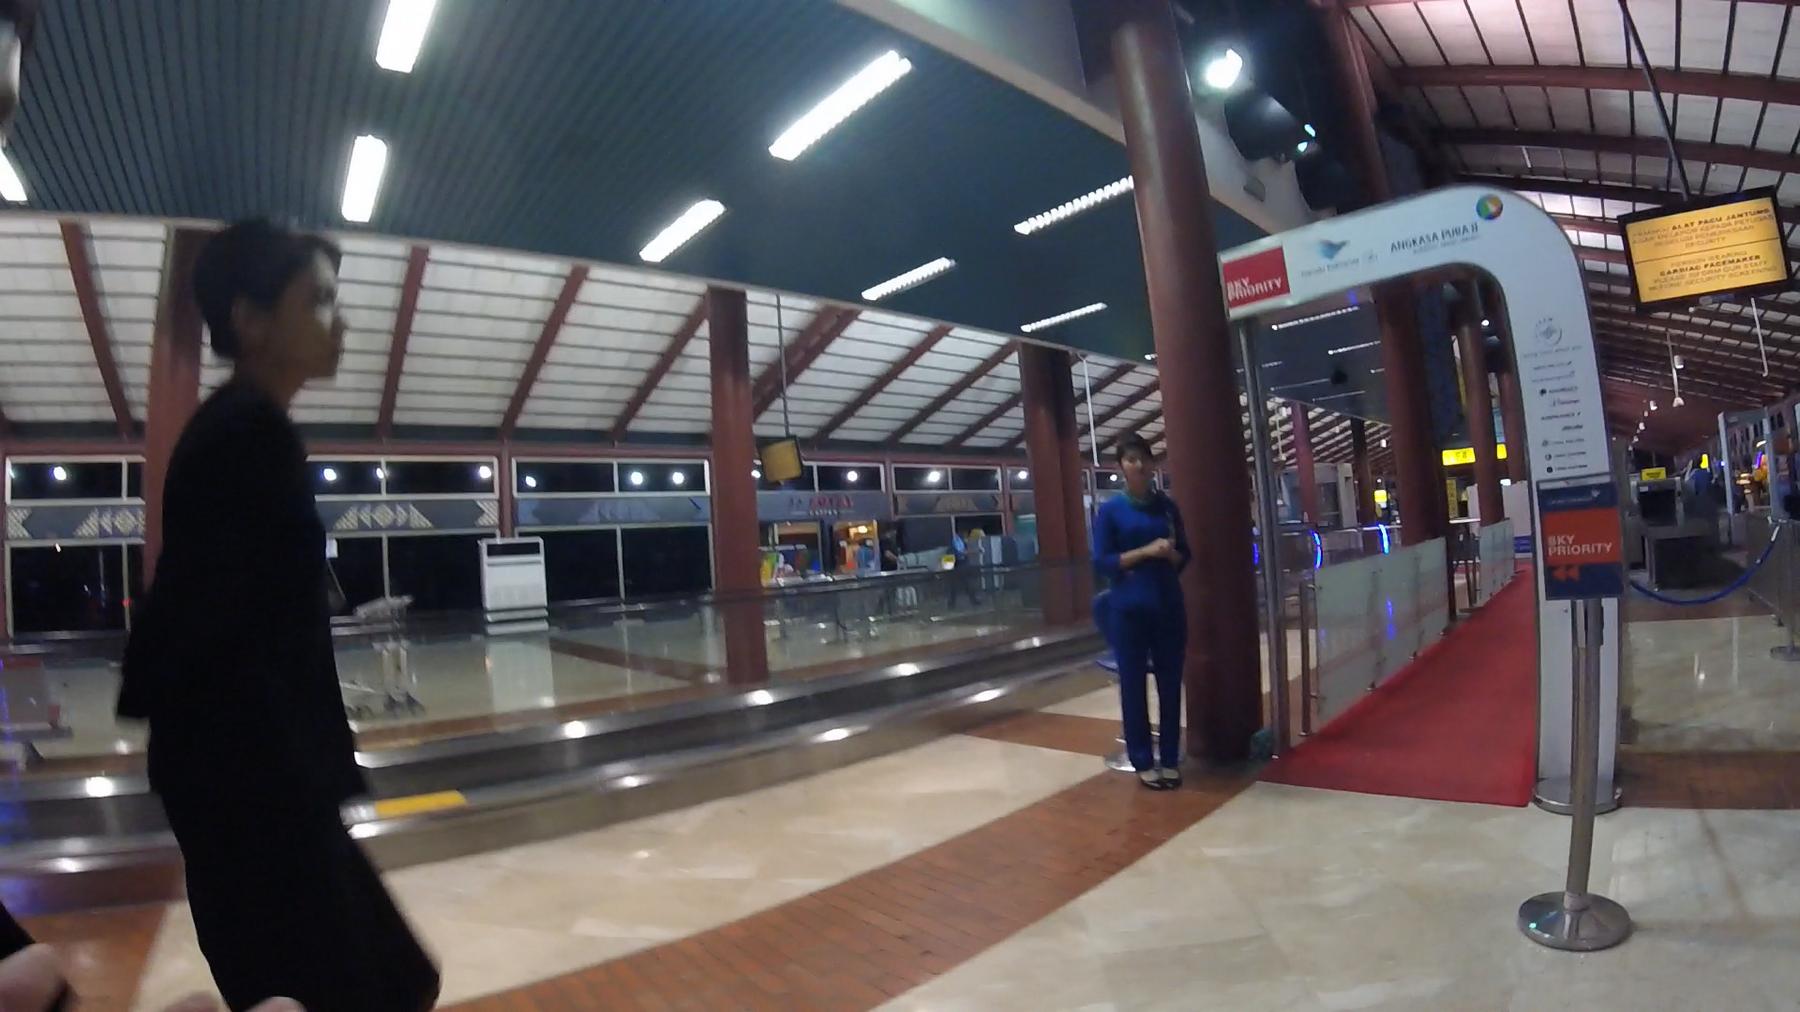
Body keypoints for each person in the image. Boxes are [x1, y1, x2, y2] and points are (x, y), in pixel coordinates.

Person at [117, 220, 439, 1012]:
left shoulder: (243, 430)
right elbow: (221, 630)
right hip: (251, 791)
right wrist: (301, 790)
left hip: (250, 784)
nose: (341, 318)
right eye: (319, 300)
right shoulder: (245, 437)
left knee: (376, 982)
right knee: (370, 987)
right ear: (252, 320)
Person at [1091, 433, 1191, 790]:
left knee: (1170, 683)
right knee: (1132, 686)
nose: (1138, 465)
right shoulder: (1111, 511)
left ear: (1152, 464)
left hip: (1168, 605)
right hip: (1128, 611)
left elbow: (1184, 556)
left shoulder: (1167, 507)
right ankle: (1142, 758)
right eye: (1130, 459)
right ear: (1121, 467)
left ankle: (1169, 756)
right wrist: (1146, 552)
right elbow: (1102, 562)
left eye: (1143, 458)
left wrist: (1168, 555)